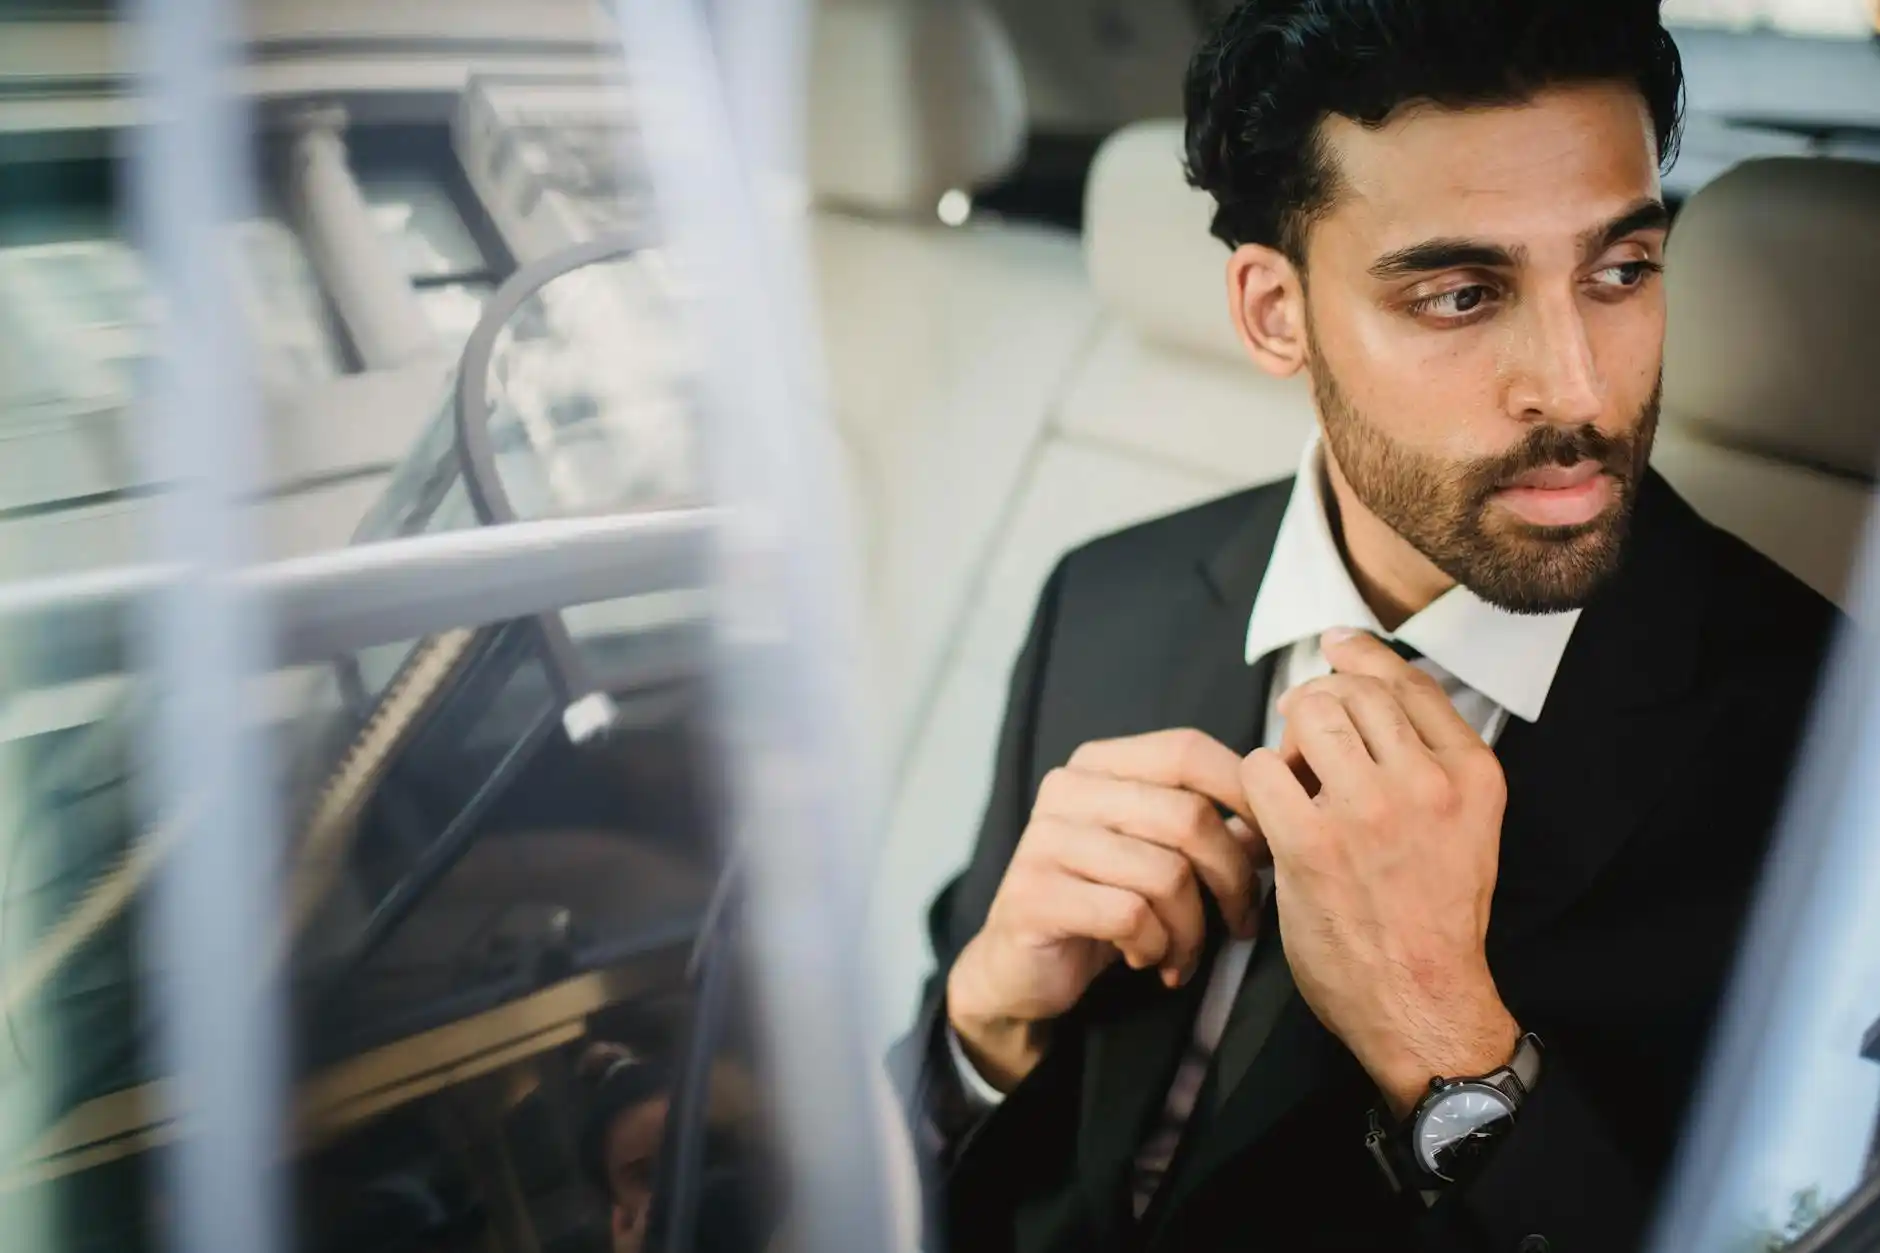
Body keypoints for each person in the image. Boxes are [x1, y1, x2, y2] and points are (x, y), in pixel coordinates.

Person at [891, 2, 1840, 1250]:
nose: (1575, 382)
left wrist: (1451, 1053)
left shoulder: (1831, 747)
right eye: (1458, 294)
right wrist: (980, 1028)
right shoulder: (1105, 599)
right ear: (1273, 313)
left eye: (1619, 272)